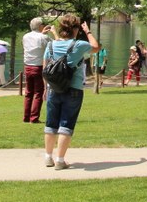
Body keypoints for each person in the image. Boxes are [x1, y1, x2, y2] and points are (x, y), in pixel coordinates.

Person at [43, 14, 100, 170]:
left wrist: (45, 89)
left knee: (51, 123)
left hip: (53, 89)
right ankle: (60, 160)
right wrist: (87, 31)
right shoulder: (78, 45)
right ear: (75, 29)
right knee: (66, 124)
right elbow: (96, 47)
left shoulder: (50, 45)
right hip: (73, 89)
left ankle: (48, 157)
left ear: (61, 28)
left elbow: (45, 70)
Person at [22, 17, 53, 123]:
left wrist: (42, 33)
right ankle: (34, 117)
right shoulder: (43, 37)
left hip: (27, 66)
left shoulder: (25, 36)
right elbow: (53, 44)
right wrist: (48, 33)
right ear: (40, 26)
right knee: (38, 93)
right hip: (38, 66)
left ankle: (26, 117)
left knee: (28, 92)